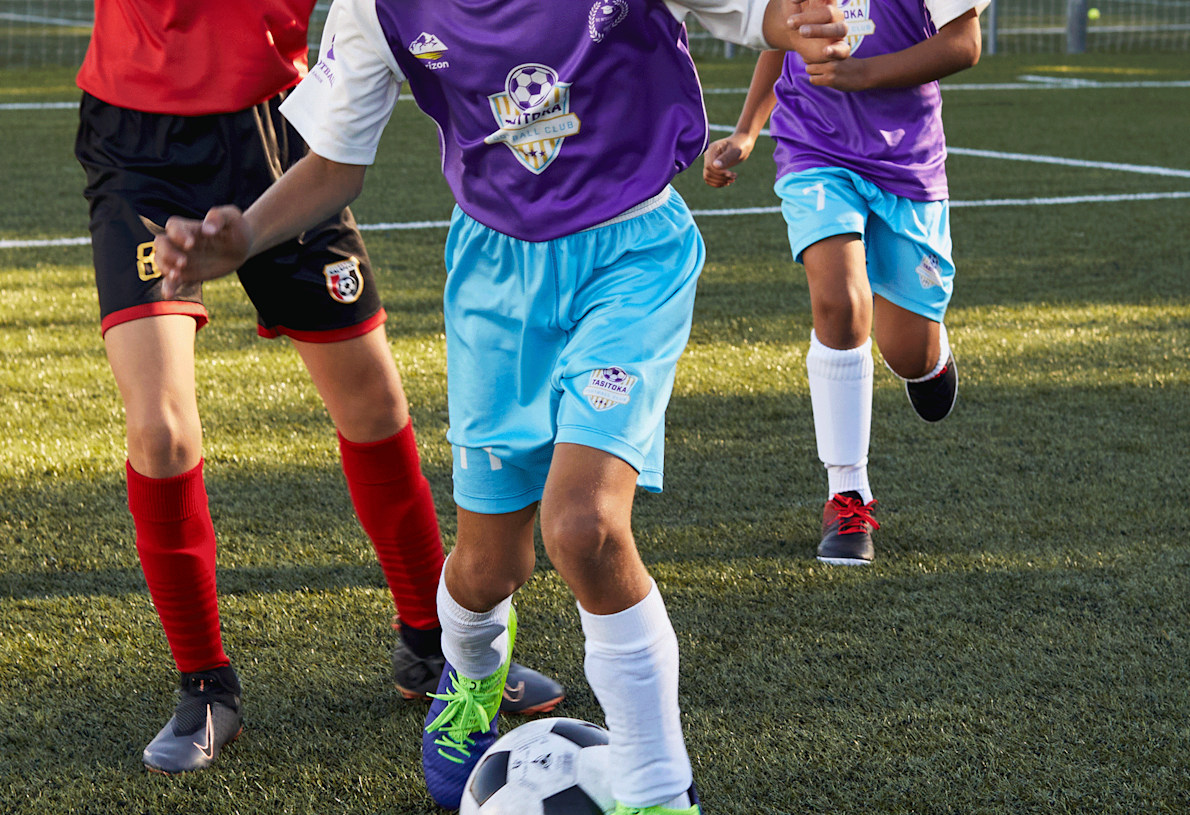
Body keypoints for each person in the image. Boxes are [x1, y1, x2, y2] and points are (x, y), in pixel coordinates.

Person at [152, 1, 849, 811]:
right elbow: (337, 162)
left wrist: (789, 23)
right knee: (489, 568)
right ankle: (473, 679)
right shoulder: (381, 8)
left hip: (633, 253)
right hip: (493, 278)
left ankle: (660, 788)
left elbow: (756, 11)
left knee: (583, 527)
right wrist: (244, 237)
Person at [73, 0, 563, 777]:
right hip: (141, 145)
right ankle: (205, 684)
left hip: (281, 129)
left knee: (374, 403)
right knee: (161, 432)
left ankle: (428, 645)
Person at [703, 0, 986, 565]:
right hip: (815, 148)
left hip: (907, 162)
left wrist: (864, 73)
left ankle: (930, 358)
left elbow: (964, 44)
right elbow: (782, 33)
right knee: (840, 303)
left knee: (905, 352)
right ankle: (847, 495)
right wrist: (747, 131)